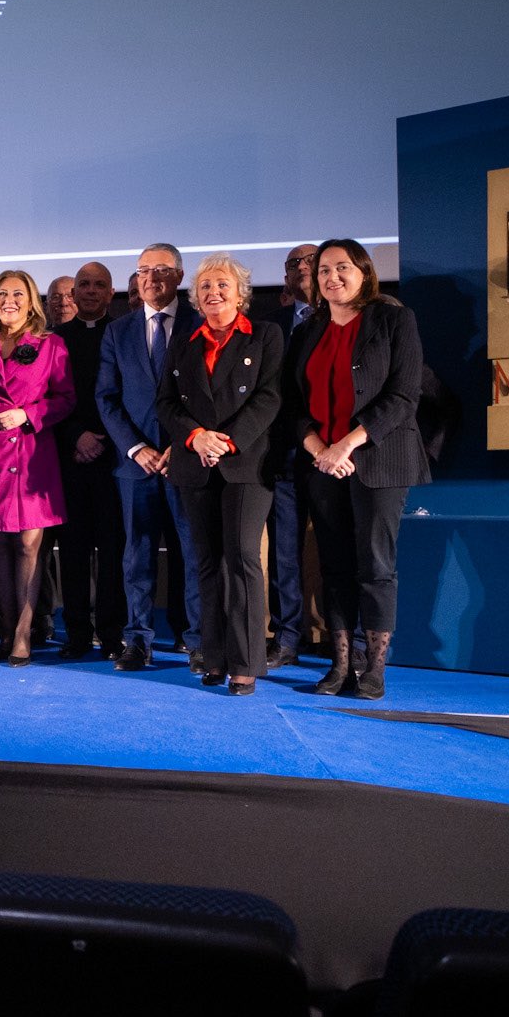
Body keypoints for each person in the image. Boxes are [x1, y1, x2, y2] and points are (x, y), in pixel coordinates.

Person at [284, 239, 430, 700]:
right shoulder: (308, 330)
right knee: (335, 569)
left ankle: (375, 669)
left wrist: (346, 444)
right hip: (322, 464)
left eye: (342, 268)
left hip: (377, 461)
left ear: (364, 272)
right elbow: (293, 404)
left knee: (376, 567)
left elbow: (404, 395)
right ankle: (341, 664)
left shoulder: (393, 319)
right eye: (324, 270)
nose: (332, 277)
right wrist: (319, 449)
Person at [156, 253, 283, 695]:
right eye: (206, 286)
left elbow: (269, 398)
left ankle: (246, 661)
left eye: (222, 285)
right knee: (207, 564)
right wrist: (194, 438)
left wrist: (225, 441)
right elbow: (166, 403)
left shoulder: (264, 335)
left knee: (243, 561)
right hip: (195, 465)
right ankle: (213, 656)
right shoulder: (185, 339)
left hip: (245, 466)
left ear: (240, 293)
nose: (213, 293)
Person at [96, 243, 204, 673]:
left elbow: (207, 397)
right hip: (135, 465)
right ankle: (138, 640)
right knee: (136, 555)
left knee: (193, 554)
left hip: (187, 459)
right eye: (144, 270)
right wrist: (137, 448)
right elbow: (106, 398)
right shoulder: (118, 331)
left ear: (179, 276)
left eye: (161, 270)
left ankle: (197, 641)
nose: (152, 278)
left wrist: (182, 443)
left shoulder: (200, 324)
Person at [0, 270, 75, 665]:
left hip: (31, 458)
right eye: (2, 294)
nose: (9, 300)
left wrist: (27, 414)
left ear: (31, 301)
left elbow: (64, 399)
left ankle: (24, 636)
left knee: (29, 546)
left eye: (18, 294)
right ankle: (4, 633)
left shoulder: (51, 345)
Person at [44, 261, 126, 656]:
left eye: (99, 285)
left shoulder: (126, 335)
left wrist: (105, 439)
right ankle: (77, 634)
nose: (91, 291)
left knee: (113, 552)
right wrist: (76, 435)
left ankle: (112, 635)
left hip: (116, 459)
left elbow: (134, 396)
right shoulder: (52, 340)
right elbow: (45, 398)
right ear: (72, 295)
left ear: (111, 294)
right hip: (69, 458)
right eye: (84, 285)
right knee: (72, 551)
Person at [260, 243, 320, 669]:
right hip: (283, 455)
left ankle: (344, 639)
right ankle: (287, 636)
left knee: (340, 552)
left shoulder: (351, 320)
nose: (301, 268)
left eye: (310, 262)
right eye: (292, 264)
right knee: (283, 553)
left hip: (338, 455)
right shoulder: (271, 325)